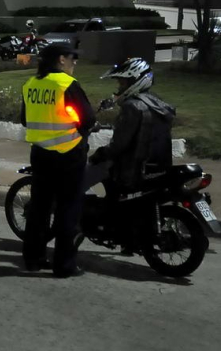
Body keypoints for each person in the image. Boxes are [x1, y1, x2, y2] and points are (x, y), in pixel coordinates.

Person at [20, 43, 96, 278]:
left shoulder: (31, 84)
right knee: (68, 210)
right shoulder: (66, 85)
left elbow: (24, 119)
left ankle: (33, 258)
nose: (75, 62)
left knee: (39, 209)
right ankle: (64, 265)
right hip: (69, 155)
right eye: (72, 58)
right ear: (60, 60)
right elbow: (88, 119)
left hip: (41, 154)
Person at [89, 58, 175, 192]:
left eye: (122, 82)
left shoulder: (132, 107)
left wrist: (98, 155)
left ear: (135, 81)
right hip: (157, 166)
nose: (119, 86)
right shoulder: (156, 102)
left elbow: (118, 146)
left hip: (132, 170)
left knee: (83, 176)